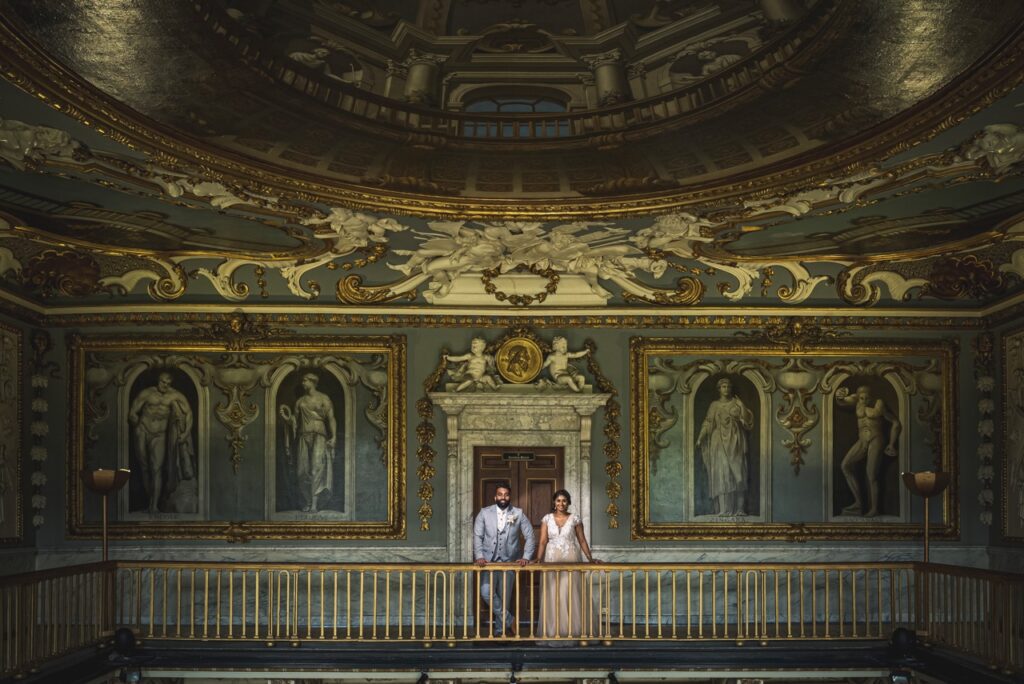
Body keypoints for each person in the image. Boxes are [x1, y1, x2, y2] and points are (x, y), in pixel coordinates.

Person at [534, 490, 600, 645]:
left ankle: (575, 631)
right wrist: (538, 559)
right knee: (553, 593)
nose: (561, 504)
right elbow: (543, 541)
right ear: (554, 502)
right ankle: (554, 631)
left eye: (564, 501)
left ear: (568, 502)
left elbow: (582, 541)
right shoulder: (547, 519)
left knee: (571, 593)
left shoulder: (575, 519)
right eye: (558, 501)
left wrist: (590, 559)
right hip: (551, 559)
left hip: (571, 558)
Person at [127, 371, 196, 514]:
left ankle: (154, 506)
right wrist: (134, 419)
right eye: (163, 382)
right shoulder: (147, 393)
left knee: (156, 469)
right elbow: (133, 411)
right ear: (158, 380)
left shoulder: (175, 395)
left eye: (168, 384)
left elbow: (189, 413)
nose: (165, 386)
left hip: (160, 435)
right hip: (142, 430)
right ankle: (150, 500)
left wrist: (185, 432)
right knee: (145, 468)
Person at [472, 483, 535, 637]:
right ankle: (509, 619)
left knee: (505, 597)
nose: (503, 497)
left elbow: (530, 536)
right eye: (500, 494)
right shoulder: (484, 513)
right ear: (495, 497)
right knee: (486, 592)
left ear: (509, 496)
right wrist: (479, 555)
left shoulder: (518, 514)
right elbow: (477, 536)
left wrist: (526, 557)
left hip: (509, 561)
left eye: (506, 494)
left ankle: (500, 631)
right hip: (488, 562)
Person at [835, 384, 901, 517]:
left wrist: (892, 444)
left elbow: (896, 423)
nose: (864, 400)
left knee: (871, 475)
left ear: (871, 397)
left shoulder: (879, 404)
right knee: (845, 466)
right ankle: (858, 503)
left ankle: (874, 508)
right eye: (861, 398)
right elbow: (841, 401)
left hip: (876, 440)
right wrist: (838, 394)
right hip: (862, 440)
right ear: (858, 397)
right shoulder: (855, 400)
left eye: (867, 398)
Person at [279, 373, 337, 513]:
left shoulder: (323, 398)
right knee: (302, 471)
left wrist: (334, 436)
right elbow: (294, 421)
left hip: (320, 435)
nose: (303, 383)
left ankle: (315, 504)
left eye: (305, 380)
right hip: (303, 436)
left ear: (313, 382)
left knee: (316, 468)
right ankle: (308, 500)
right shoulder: (300, 401)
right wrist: (286, 418)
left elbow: (331, 418)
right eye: (302, 381)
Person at [695, 377, 753, 516]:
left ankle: (739, 509)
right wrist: (700, 438)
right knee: (722, 473)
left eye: (728, 386)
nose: (726, 389)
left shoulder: (736, 403)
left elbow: (747, 421)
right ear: (719, 389)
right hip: (719, 442)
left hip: (736, 441)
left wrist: (742, 406)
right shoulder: (714, 405)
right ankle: (724, 509)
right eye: (723, 386)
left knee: (738, 473)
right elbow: (708, 422)